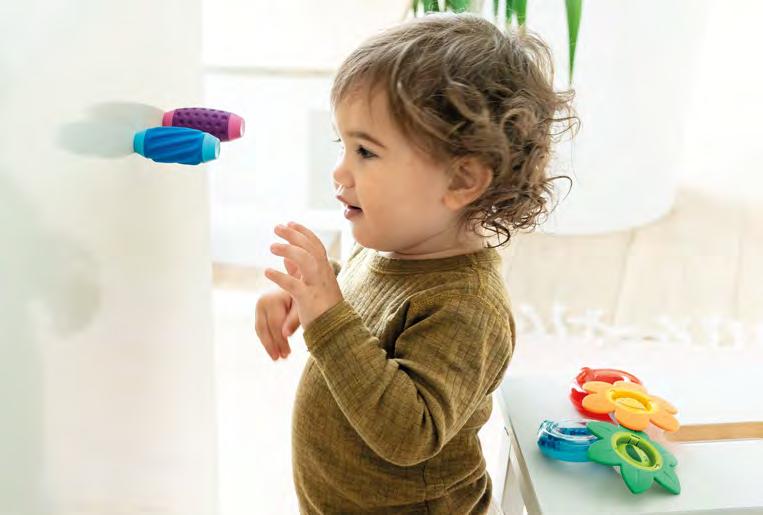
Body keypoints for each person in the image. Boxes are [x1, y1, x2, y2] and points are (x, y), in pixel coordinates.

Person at [255, 11, 576, 514]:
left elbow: (409, 434)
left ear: (460, 180)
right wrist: (310, 293)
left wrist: (328, 316)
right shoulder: (392, 244)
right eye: (342, 144)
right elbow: (368, 310)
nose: (340, 171)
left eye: (365, 151)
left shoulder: (467, 308)